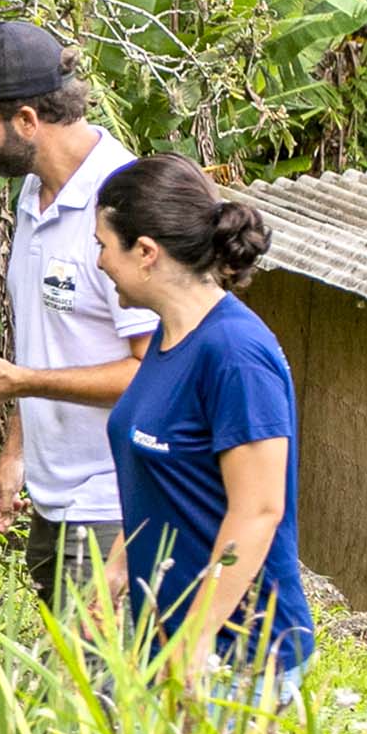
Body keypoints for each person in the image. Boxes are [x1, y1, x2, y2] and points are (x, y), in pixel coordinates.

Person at [0, 21, 155, 605]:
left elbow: (154, 373)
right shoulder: (32, 193)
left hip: (114, 505)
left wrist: (18, 382)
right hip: (50, 499)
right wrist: (15, 455)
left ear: (25, 120)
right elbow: (48, 344)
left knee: (92, 666)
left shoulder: (125, 202)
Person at [83, 154, 313, 699]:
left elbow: (259, 510)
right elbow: (165, 482)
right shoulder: (169, 337)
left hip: (236, 655)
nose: (99, 262)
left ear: (145, 252)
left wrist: (197, 635)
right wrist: (118, 568)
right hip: (165, 639)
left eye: (103, 245)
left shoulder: (235, 354)